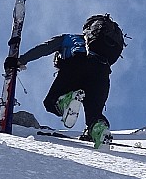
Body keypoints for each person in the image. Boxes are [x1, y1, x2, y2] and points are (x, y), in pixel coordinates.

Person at [7, 14, 121, 148]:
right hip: (102, 73)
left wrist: (21, 60)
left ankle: (66, 101)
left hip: (76, 64)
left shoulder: (70, 38)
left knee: (50, 102)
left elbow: (44, 48)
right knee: (94, 113)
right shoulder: (103, 49)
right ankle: (100, 132)